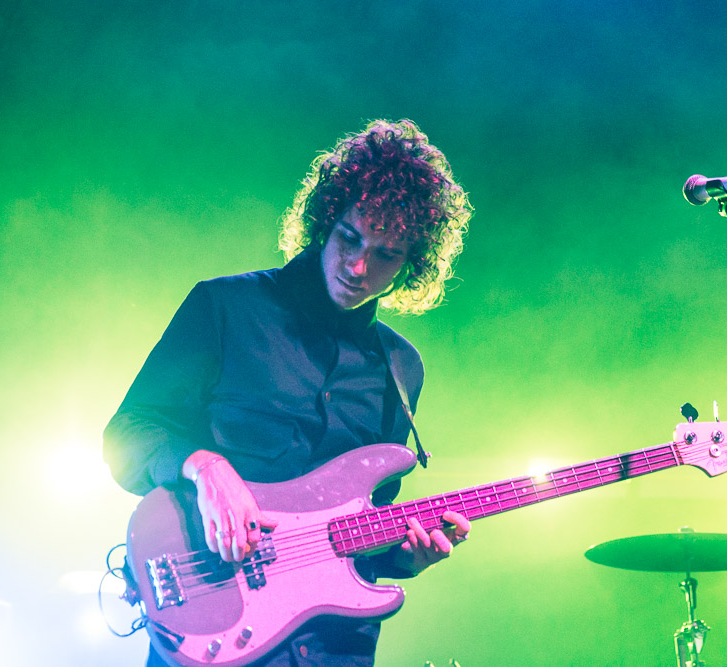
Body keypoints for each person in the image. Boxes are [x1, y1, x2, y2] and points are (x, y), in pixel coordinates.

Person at [104, 118, 474, 666]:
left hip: (330, 650)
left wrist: (406, 557)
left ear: (413, 263)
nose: (358, 266)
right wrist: (203, 466)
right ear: (325, 221)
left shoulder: (400, 367)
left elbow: (363, 530)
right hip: (214, 626)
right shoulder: (225, 309)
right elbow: (127, 437)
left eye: (386, 255)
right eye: (351, 238)